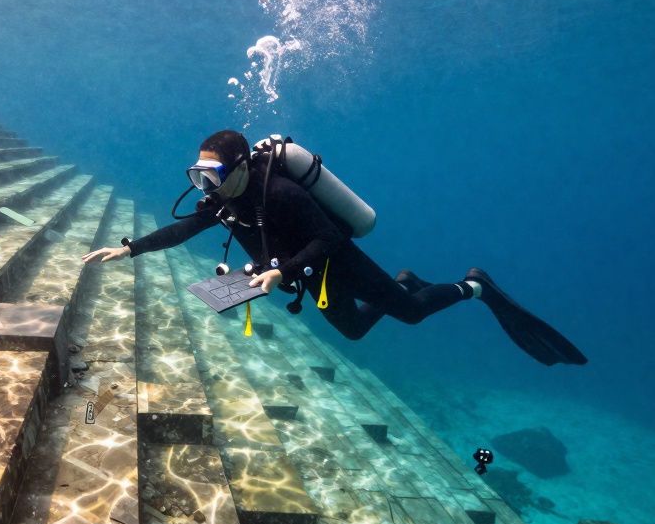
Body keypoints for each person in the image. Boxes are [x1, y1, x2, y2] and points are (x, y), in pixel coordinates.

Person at [82, 130, 586, 365]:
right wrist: (130, 249)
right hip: (302, 274)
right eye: (197, 175)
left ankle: (475, 286)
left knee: (409, 313)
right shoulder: (222, 201)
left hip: (334, 260)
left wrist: (281, 272)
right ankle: (406, 281)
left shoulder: (280, 192)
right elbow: (183, 230)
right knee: (352, 332)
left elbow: (326, 236)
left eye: (211, 175)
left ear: (237, 168)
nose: (204, 186)